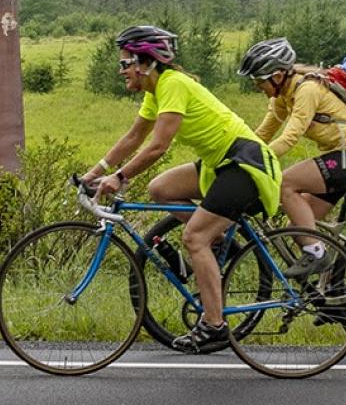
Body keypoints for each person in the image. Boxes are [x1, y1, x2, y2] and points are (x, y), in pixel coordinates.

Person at [84, 25, 282, 353]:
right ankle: (220, 241)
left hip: (245, 165)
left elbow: (157, 146)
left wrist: (119, 177)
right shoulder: (156, 91)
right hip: (220, 165)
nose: (121, 72)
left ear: (144, 63)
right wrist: (93, 174)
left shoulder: (173, 84)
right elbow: (133, 139)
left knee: (193, 238)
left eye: (124, 64)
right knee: (160, 188)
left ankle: (215, 324)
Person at [237, 37, 346, 278]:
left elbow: (290, 137)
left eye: (259, 81)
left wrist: (258, 161)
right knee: (297, 228)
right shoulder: (282, 97)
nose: (257, 87)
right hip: (343, 159)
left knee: (286, 184)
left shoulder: (307, 90)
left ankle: (316, 254)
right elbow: (263, 133)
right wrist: (236, 153)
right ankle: (332, 298)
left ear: (278, 74)